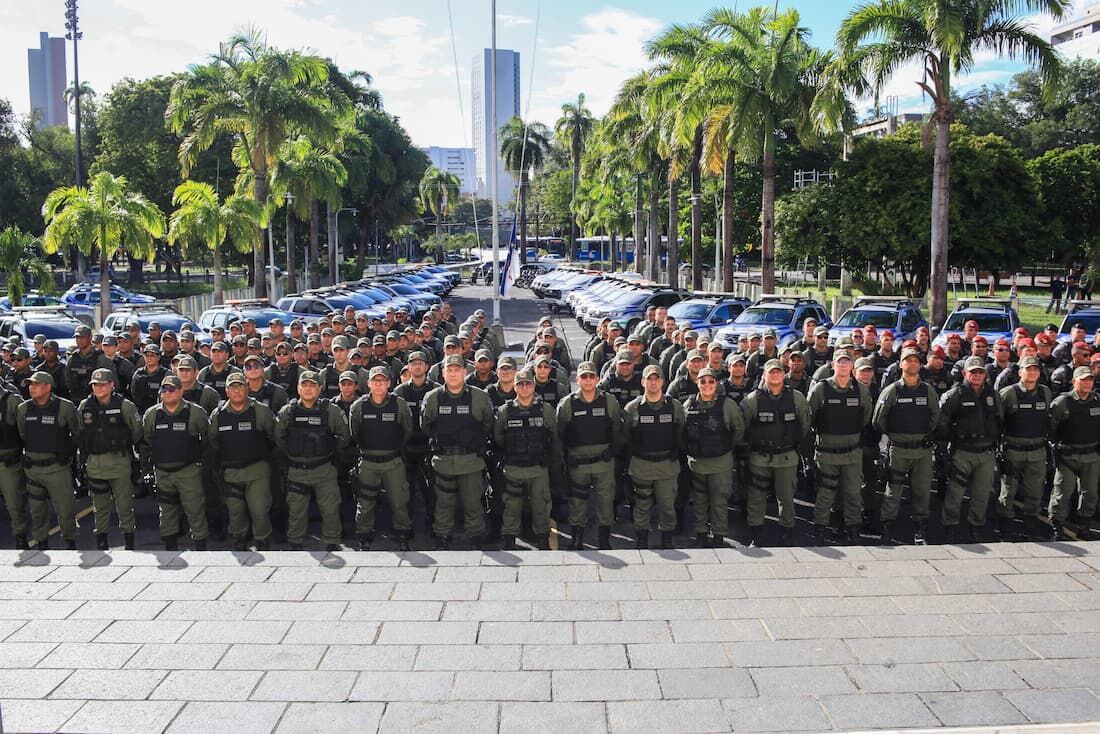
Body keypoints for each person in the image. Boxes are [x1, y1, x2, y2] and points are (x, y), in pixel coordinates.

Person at [420, 354, 494, 549]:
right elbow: (426, 425)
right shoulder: (433, 398)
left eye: (456, 370)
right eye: (449, 370)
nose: (453, 374)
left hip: (470, 461)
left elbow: (487, 425)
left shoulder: (479, 397)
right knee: (443, 502)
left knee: (473, 502)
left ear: (464, 371)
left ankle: (475, 535)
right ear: (442, 373)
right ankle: (442, 534)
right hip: (443, 460)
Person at [274, 371, 352, 551]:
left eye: (312, 385)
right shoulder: (288, 412)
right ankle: (295, 543)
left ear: (319, 388)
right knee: (296, 510)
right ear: (298, 388)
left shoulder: (331, 411)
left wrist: (328, 450)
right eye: (305, 385)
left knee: (331, 508)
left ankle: (332, 542)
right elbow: (279, 438)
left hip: (323, 469)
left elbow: (344, 437)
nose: (308, 389)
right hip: (296, 470)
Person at [873, 347, 941, 545]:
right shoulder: (892, 390)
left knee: (922, 490)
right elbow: (878, 420)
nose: (912, 364)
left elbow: (935, 417)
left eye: (915, 361)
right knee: (893, 490)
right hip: (899, 449)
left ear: (920, 365)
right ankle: (887, 527)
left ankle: (920, 528)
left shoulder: (927, 390)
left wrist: (922, 434)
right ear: (901, 364)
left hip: (922, 450)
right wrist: (896, 435)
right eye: (907, 360)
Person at [740, 359, 812, 547]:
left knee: (786, 498)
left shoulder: (796, 397)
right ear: (764, 375)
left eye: (778, 372)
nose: (775, 375)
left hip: (787, 457)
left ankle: (786, 533)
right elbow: (743, 428)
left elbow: (804, 425)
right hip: (760, 457)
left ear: (783, 374)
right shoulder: (752, 399)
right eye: (771, 372)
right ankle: (757, 535)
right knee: (756, 497)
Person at [807, 351, 873, 546]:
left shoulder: (861, 390)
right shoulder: (821, 389)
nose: (844, 365)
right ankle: (820, 529)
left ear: (852, 366)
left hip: (852, 452)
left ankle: (853, 529)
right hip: (826, 452)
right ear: (833, 364)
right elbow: (809, 416)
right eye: (840, 361)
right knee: (826, 493)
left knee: (853, 492)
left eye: (847, 361)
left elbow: (865, 417)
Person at [207, 372, 277, 551]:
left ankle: (262, 538)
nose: (237, 391)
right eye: (232, 387)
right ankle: (239, 538)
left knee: (259, 509)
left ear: (247, 388)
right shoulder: (218, 414)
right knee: (235, 510)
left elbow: (272, 436)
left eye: (240, 386)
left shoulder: (260, 411)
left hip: (257, 469)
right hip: (230, 471)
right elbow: (214, 441)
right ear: (226, 391)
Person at [556, 361, 622, 550]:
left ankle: (604, 540)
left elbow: (617, 428)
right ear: (577, 380)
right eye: (583, 377)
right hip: (578, 460)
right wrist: (565, 458)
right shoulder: (567, 403)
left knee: (605, 500)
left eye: (591, 376)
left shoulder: (609, 401)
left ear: (597, 379)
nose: (587, 380)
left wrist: (613, 451)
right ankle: (577, 539)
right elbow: (560, 432)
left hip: (604, 459)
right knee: (578, 501)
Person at [139, 374, 210, 551]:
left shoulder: (196, 412)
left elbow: (208, 441)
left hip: (189, 471)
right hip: (162, 471)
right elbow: (146, 443)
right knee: (167, 511)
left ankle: (201, 547)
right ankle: (170, 549)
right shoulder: (152, 414)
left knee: (195, 510)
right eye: (164, 389)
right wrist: (147, 472)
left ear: (181, 391)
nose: (167, 392)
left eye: (172, 389)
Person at [938, 356, 1004, 543]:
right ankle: (950, 526)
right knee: (955, 493)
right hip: (962, 452)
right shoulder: (954, 395)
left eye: (980, 372)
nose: (976, 375)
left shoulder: (992, 395)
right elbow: (942, 424)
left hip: (986, 452)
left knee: (981, 493)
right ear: (964, 373)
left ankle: (976, 526)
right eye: (972, 372)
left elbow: (1000, 419)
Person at [493, 367, 559, 550]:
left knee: (541, 505)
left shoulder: (545, 410)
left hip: (538, 468)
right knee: (511, 506)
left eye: (528, 383)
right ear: (514, 387)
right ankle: (509, 539)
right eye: (520, 384)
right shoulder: (505, 411)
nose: (524, 387)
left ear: (534, 385)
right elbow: (498, 437)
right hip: (513, 467)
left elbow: (554, 438)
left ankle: (542, 538)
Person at [349, 366, 414, 551]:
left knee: (399, 500)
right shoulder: (358, 406)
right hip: (368, 462)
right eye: (375, 381)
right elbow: (354, 433)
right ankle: (364, 534)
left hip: (393, 461)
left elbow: (407, 430)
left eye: (382, 381)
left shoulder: (399, 404)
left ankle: (402, 533)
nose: (378, 385)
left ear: (388, 383)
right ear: (368, 383)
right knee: (365, 501)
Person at [78, 368, 143, 551]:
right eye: (95, 385)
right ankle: (102, 542)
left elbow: (137, 431)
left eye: (102, 384)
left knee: (124, 505)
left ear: (111, 385)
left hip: (118, 463)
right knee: (99, 507)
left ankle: (129, 542)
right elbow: (79, 432)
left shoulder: (125, 405)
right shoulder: (85, 406)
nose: (98, 388)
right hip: (94, 464)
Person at [623, 365, 687, 549]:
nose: (653, 382)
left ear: (662, 381)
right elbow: (625, 435)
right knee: (641, 505)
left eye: (656, 378)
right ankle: (641, 539)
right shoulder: (632, 408)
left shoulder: (674, 406)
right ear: (642, 381)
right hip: (641, 465)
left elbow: (680, 431)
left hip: (667, 465)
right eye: (649, 378)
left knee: (667, 505)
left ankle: (667, 540)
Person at [681, 367, 744, 548]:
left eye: (711, 381)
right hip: (696, 463)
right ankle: (701, 532)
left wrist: (726, 447)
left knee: (719, 501)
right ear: (697, 383)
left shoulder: (727, 405)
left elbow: (738, 430)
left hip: (720, 463)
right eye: (703, 381)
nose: (707, 385)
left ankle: (718, 535)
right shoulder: (689, 404)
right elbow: (681, 431)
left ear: (716, 383)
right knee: (699, 501)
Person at [17, 371, 80, 549]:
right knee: (37, 510)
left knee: (65, 509)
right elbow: (23, 434)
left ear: (48, 387)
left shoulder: (65, 407)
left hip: (57, 468)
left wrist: (66, 452)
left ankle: (70, 542)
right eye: (30, 384)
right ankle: (41, 543)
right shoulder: (24, 408)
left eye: (36, 384)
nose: (32, 388)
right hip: (33, 469)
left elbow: (76, 433)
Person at [997, 356, 1052, 541]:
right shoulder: (1008, 393)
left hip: (1037, 450)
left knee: (1035, 489)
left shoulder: (1045, 393)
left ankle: (1030, 521)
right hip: (1013, 449)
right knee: (1009, 489)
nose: (1032, 372)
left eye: (1035, 369)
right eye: (1028, 369)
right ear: (1020, 372)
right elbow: (997, 423)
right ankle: (1005, 521)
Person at [1048, 367, 1100, 541]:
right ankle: (1058, 527)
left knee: (1090, 493)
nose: (1087, 383)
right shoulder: (1062, 402)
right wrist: (1056, 448)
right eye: (1083, 379)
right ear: (1074, 381)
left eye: (1090, 380)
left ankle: (1084, 526)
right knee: (1063, 492)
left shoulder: (1097, 400)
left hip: (1091, 455)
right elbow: (1050, 429)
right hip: (1068, 456)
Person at [393, 351, 440, 542]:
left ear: (427, 367)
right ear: (409, 367)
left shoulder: (437, 390)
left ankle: (435, 525)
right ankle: (406, 526)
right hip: (407, 448)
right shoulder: (400, 392)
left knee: (433, 490)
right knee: (406, 490)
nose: (417, 366)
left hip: (429, 447)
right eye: (413, 363)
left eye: (421, 363)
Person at [0, 378, 29, 549]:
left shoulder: (12, 400)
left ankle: (20, 536)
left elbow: (26, 431)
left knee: (14, 503)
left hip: (7, 462)